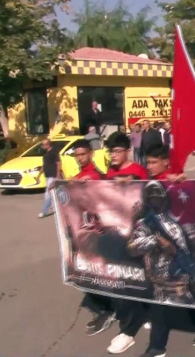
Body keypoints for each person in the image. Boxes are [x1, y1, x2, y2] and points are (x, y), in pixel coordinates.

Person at [135, 144, 195, 357]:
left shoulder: (175, 182)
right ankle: (157, 346)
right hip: (157, 251)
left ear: (165, 162)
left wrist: (181, 183)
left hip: (177, 242)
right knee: (159, 297)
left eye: (153, 162)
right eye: (147, 162)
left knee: (185, 294)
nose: (149, 167)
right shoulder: (148, 183)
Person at [103, 131, 150, 355]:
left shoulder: (138, 171)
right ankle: (134, 318)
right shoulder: (111, 171)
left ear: (127, 151)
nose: (112, 155)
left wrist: (130, 182)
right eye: (110, 151)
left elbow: (146, 193)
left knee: (135, 279)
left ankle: (129, 331)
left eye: (117, 150)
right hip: (115, 233)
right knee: (120, 279)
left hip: (135, 235)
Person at [68, 139, 117, 335]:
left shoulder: (95, 175)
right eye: (77, 155)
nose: (80, 158)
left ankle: (108, 310)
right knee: (89, 273)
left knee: (101, 272)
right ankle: (104, 308)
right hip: (84, 234)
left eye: (83, 154)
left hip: (100, 233)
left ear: (90, 153)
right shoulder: (78, 176)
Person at [35, 138, 61, 218]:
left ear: (47, 144)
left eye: (43, 144)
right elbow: (44, 165)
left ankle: (44, 211)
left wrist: (58, 175)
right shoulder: (46, 154)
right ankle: (60, 208)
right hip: (48, 176)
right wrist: (38, 175)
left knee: (48, 194)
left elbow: (58, 163)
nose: (42, 146)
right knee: (55, 193)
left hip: (52, 176)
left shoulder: (53, 152)